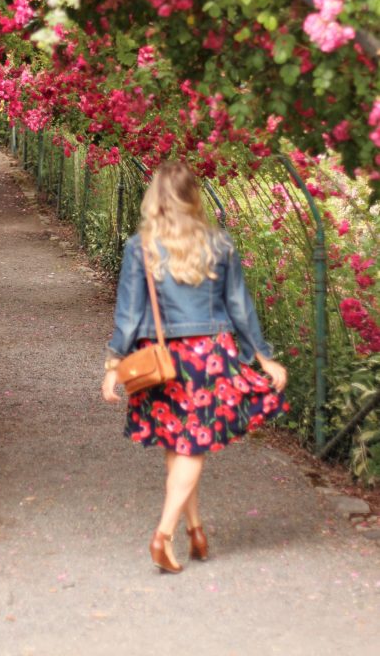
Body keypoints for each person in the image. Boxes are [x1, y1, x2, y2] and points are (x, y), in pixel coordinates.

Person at [101, 161, 288, 573]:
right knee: (188, 443)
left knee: (182, 444)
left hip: (164, 358)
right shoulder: (218, 244)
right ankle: (174, 534)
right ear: (193, 197)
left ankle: (183, 532)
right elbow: (239, 305)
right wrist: (263, 354)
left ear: (156, 198)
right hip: (208, 357)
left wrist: (115, 361)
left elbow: (129, 314)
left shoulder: (141, 246)